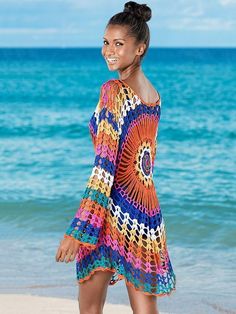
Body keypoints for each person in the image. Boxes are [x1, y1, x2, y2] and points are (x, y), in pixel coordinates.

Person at [55, 1, 176, 313]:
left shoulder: (114, 90)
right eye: (106, 42)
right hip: (145, 213)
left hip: (110, 213)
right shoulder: (153, 96)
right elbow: (145, 164)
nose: (109, 50)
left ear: (140, 49)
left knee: (91, 309)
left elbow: (104, 167)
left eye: (119, 44)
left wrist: (78, 229)